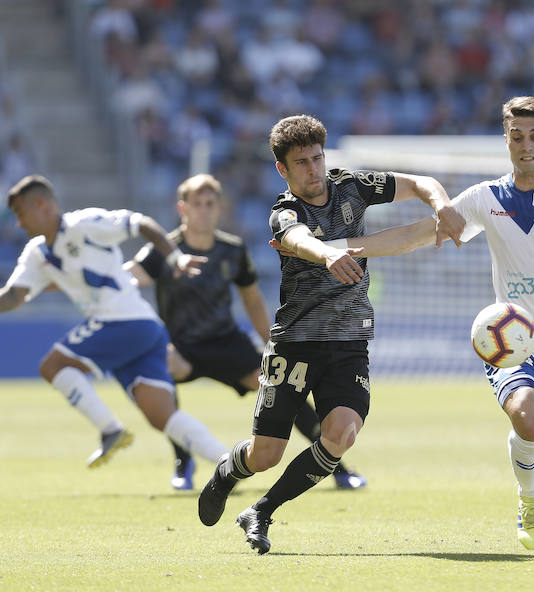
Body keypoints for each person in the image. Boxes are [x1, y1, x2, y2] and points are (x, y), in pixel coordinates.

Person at [275, 96, 534, 550]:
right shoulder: (484, 199)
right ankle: (530, 502)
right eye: (516, 136)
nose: (526, 145)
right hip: (514, 344)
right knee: (530, 420)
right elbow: (413, 236)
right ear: (505, 140)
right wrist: (329, 245)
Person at [197, 114, 465, 554]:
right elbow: (302, 240)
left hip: (348, 342)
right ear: (283, 169)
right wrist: (328, 255)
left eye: (318, 158)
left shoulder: (352, 186)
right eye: (301, 162)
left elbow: (421, 183)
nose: (313, 169)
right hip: (295, 343)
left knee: (340, 434)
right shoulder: (284, 214)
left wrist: (443, 207)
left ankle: (261, 512)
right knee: (266, 454)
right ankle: (228, 471)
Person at [125, 173, 366, 491]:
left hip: (227, 343)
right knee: (161, 368)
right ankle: (184, 463)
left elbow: (251, 299)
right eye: (197, 204)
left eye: (211, 203)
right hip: (181, 346)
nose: (205, 210)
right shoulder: (164, 251)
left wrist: (271, 341)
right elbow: (125, 280)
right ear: (182, 209)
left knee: (284, 382)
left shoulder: (232, 249)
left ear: (219, 208)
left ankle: (337, 468)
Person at [0, 174, 229, 471]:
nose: (19, 223)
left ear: (41, 204)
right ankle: (229, 463)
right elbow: (14, 296)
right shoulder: (36, 254)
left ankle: (110, 429)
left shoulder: (85, 224)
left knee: (52, 366)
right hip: (143, 328)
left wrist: (176, 259)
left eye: (20, 213)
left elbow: (141, 223)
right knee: (162, 416)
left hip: (123, 320)